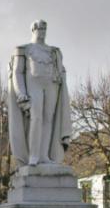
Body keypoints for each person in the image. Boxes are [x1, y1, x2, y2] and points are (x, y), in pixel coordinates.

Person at [8, 20, 72, 166]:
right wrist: (21, 92)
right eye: (39, 29)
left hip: (51, 85)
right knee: (36, 118)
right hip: (33, 85)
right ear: (33, 30)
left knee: (48, 118)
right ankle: (33, 155)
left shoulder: (53, 51)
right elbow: (17, 72)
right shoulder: (23, 49)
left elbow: (60, 71)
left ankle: (44, 156)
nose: (42, 32)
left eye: (44, 29)